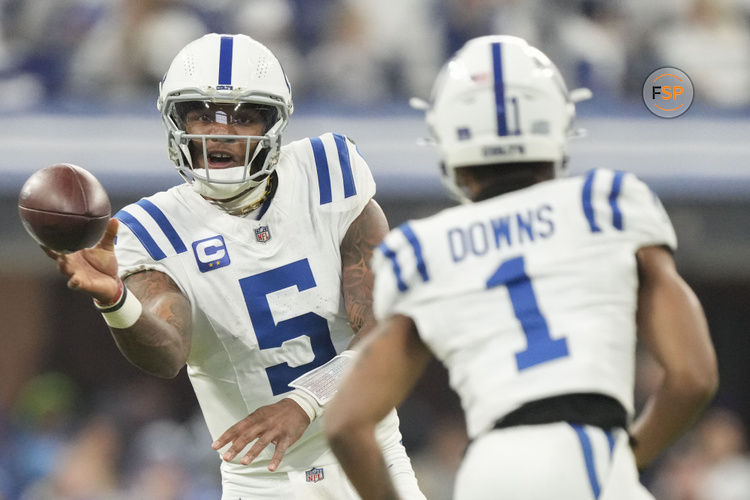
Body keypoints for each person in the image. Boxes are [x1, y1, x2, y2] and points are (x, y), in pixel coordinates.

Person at [325, 35, 719, 500]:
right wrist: (627, 458)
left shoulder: (422, 246)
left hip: (487, 472)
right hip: (589, 448)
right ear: (558, 121)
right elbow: (694, 376)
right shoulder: (607, 204)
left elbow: (347, 423)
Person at [45, 33, 425, 500]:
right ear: (176, 121)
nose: (219, 132)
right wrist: (117, 302)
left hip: (371, 457)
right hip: (260, 484)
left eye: (242, 117)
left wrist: (304, 401)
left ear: (273, 124)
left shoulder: (328, 173)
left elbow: (384, 333)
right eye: (202, 115)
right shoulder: (153, 227)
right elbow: (168, 353)